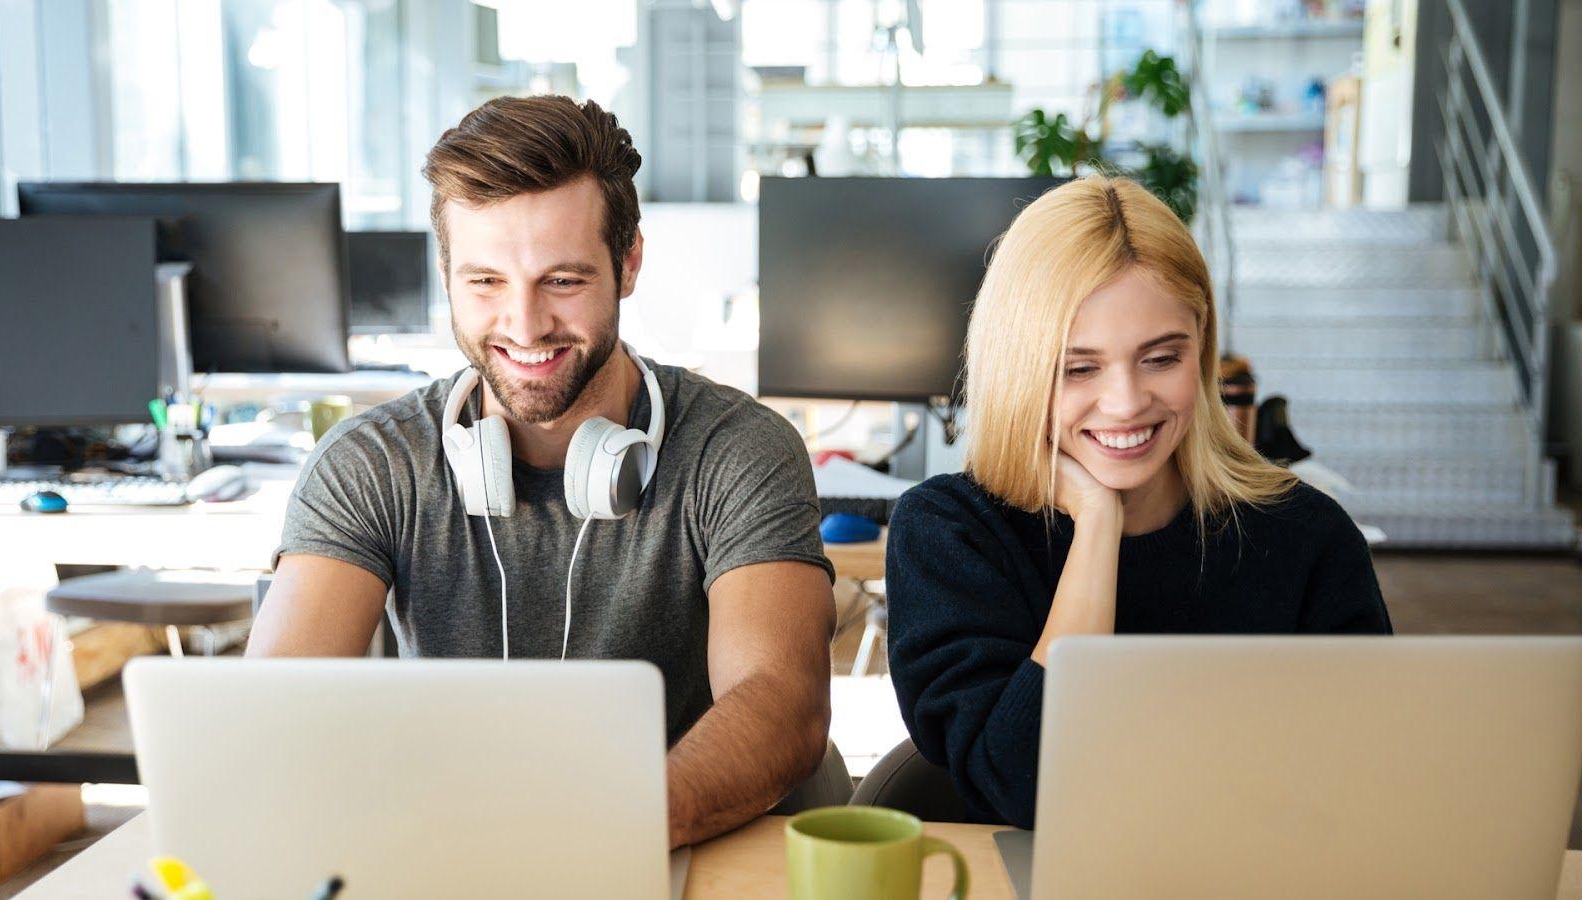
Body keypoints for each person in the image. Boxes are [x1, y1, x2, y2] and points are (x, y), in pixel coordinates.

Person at [248, 95, 837, 848]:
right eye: (485, 282)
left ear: (628, 265)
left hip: (669, 846)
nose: (524, 327)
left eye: (562, 281)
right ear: (446, 273)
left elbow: (781, 705)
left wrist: (588, 835)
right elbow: (270, 715)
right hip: (442, 851)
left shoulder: (739, 450)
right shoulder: (372, 463)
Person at [885, 175, 1392, 829]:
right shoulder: (950, 532)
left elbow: (1370, 773)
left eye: (1160, 358)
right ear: (1018, 367)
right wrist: (1097, 524)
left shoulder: (1305, 533)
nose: (1125, 402)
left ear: (1201, 346)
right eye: (1079, 368)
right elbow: (1026, 787)